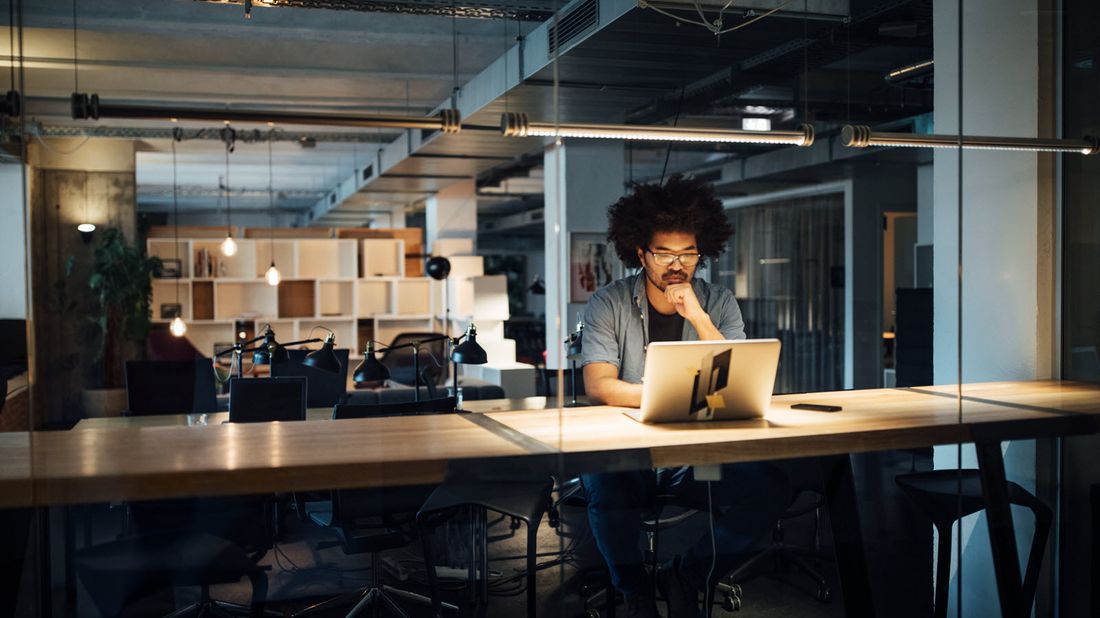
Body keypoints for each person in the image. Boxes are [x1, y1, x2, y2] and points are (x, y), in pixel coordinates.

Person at [579, 174, 791, 617]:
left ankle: (688, 575)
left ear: (702, 252)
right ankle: (634, 590)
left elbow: (735, 374)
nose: (677, 265)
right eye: (663, 254)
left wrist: (696, 315)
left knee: (769, 492)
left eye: (688, 253)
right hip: (630, 452)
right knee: (604, 485)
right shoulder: (608, 303)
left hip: (697, 457)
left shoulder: (718, 301)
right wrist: (669, 395)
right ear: (640, 253)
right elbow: (599, 385)